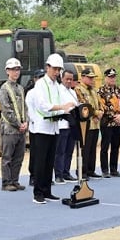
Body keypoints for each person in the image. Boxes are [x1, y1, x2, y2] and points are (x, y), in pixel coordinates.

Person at [27, 54, 75, 204]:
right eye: (54, 69)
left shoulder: (57, 86)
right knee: (41, 161)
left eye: (58, 69)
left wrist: (72, 107)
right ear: (48, 67)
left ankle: (47, 190)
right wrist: (62, 108)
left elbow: (66, 101)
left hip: (54, 127)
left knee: (49, 161)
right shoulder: (40, 84)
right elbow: (43, 105)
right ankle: (38, 193)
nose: (56, 72)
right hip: (42, 128)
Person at [0, 58, 28, 192]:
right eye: (13, 70)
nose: (16, 72)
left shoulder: (20, 88)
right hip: (9, 129)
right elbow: (6, 109)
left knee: (18, 157)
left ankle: (14, 181)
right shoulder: (4, 89)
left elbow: (24, 107)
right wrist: (18, 124)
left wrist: (26, 121)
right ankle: (6, 182)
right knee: (7, 157)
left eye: (17, 69)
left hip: (20, 130)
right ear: (7, 71)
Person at [74, 67, 104, 179]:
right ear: (83, 77)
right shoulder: (79, 89)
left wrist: (100, 112)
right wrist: (96, 113)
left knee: (93, 148)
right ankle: (82, 171)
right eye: (90, 78)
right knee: (85, 149)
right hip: (85, 124)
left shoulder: (94, 90)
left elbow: (100, 103)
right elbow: (83, 105)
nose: (92, 80)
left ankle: (91, 169)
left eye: (93, 78)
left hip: (95, 124)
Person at [98, 68, 120, 178]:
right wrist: (113, 116)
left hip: (118, 123)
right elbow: (102, 106)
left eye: (114, 76)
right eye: (110, 77)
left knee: (116, 146)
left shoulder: (119, 90)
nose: (112, 79)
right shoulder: (101, 91)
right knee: (105, 147)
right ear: (105, 78)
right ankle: (105, 170)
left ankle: (114, 169)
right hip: (107, 123)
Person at [54, 69, 78, 184]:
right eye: (67, 79)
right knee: (60, 151)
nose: (69, 81)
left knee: (69, 150)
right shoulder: (57, 90)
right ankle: (58, 174)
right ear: (62, 78)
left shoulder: (72, 92)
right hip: (62, 124)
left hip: (72, 124)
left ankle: (66, 172)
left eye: (71, 79)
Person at [25, 68, 45, 186]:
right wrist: (37, 121)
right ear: (35, 79)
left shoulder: (47, 92)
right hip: (36, 127)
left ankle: (44, 176)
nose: (41, 80)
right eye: (39, 77)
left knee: (45, 154)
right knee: (36, 154)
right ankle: (33, 176)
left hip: (47, 128)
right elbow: (30, 111)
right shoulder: (31, 93)